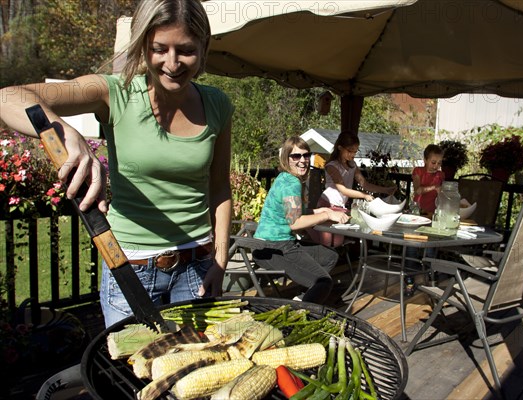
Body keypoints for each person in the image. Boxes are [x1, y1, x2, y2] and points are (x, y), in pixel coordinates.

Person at [0, 0, 233, 327]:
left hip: (197, 267)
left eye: (185, 50)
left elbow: (220, 188)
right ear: (142, 45)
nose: (172, 62)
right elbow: (7, 98)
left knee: (193, 371)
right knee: (131, 373)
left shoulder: (217, 104)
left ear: (203, 47)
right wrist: (63, 130)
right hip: (131, 269)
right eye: (159, 48)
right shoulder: (115, 92)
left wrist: (220, 261)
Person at [252, 137, 350, 304]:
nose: (303, 160)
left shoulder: (285, 177)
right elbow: (295, 223)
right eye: (296, 156)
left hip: (267, 245)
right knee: (324, 282)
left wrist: (320, 210)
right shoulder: (291, 183)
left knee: (329, 256)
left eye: (306, 155)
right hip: (274, 247)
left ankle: (304, 296)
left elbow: (293, 212)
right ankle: (301, 310)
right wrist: (327, 215)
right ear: (286, 159)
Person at [313, 131, 396, 246]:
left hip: (340, 207)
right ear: (340, 148)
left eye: (355, 151)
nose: (352, 154)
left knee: (337, 242)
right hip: (327, 204)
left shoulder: (352, 165)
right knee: (327, 242)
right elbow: (342, 189)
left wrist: (385, 190)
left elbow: (365, 184)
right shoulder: (332, 166)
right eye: (349, 151)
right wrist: (364, 195)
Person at [412, 144, 444, 216]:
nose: (436, 166)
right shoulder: (418, 171)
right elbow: (417, 191)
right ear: (425, 160)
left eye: (439, 163)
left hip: (433, 212)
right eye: (433, 162)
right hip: (419, 211)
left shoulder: (440, 175)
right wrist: (434, 187)